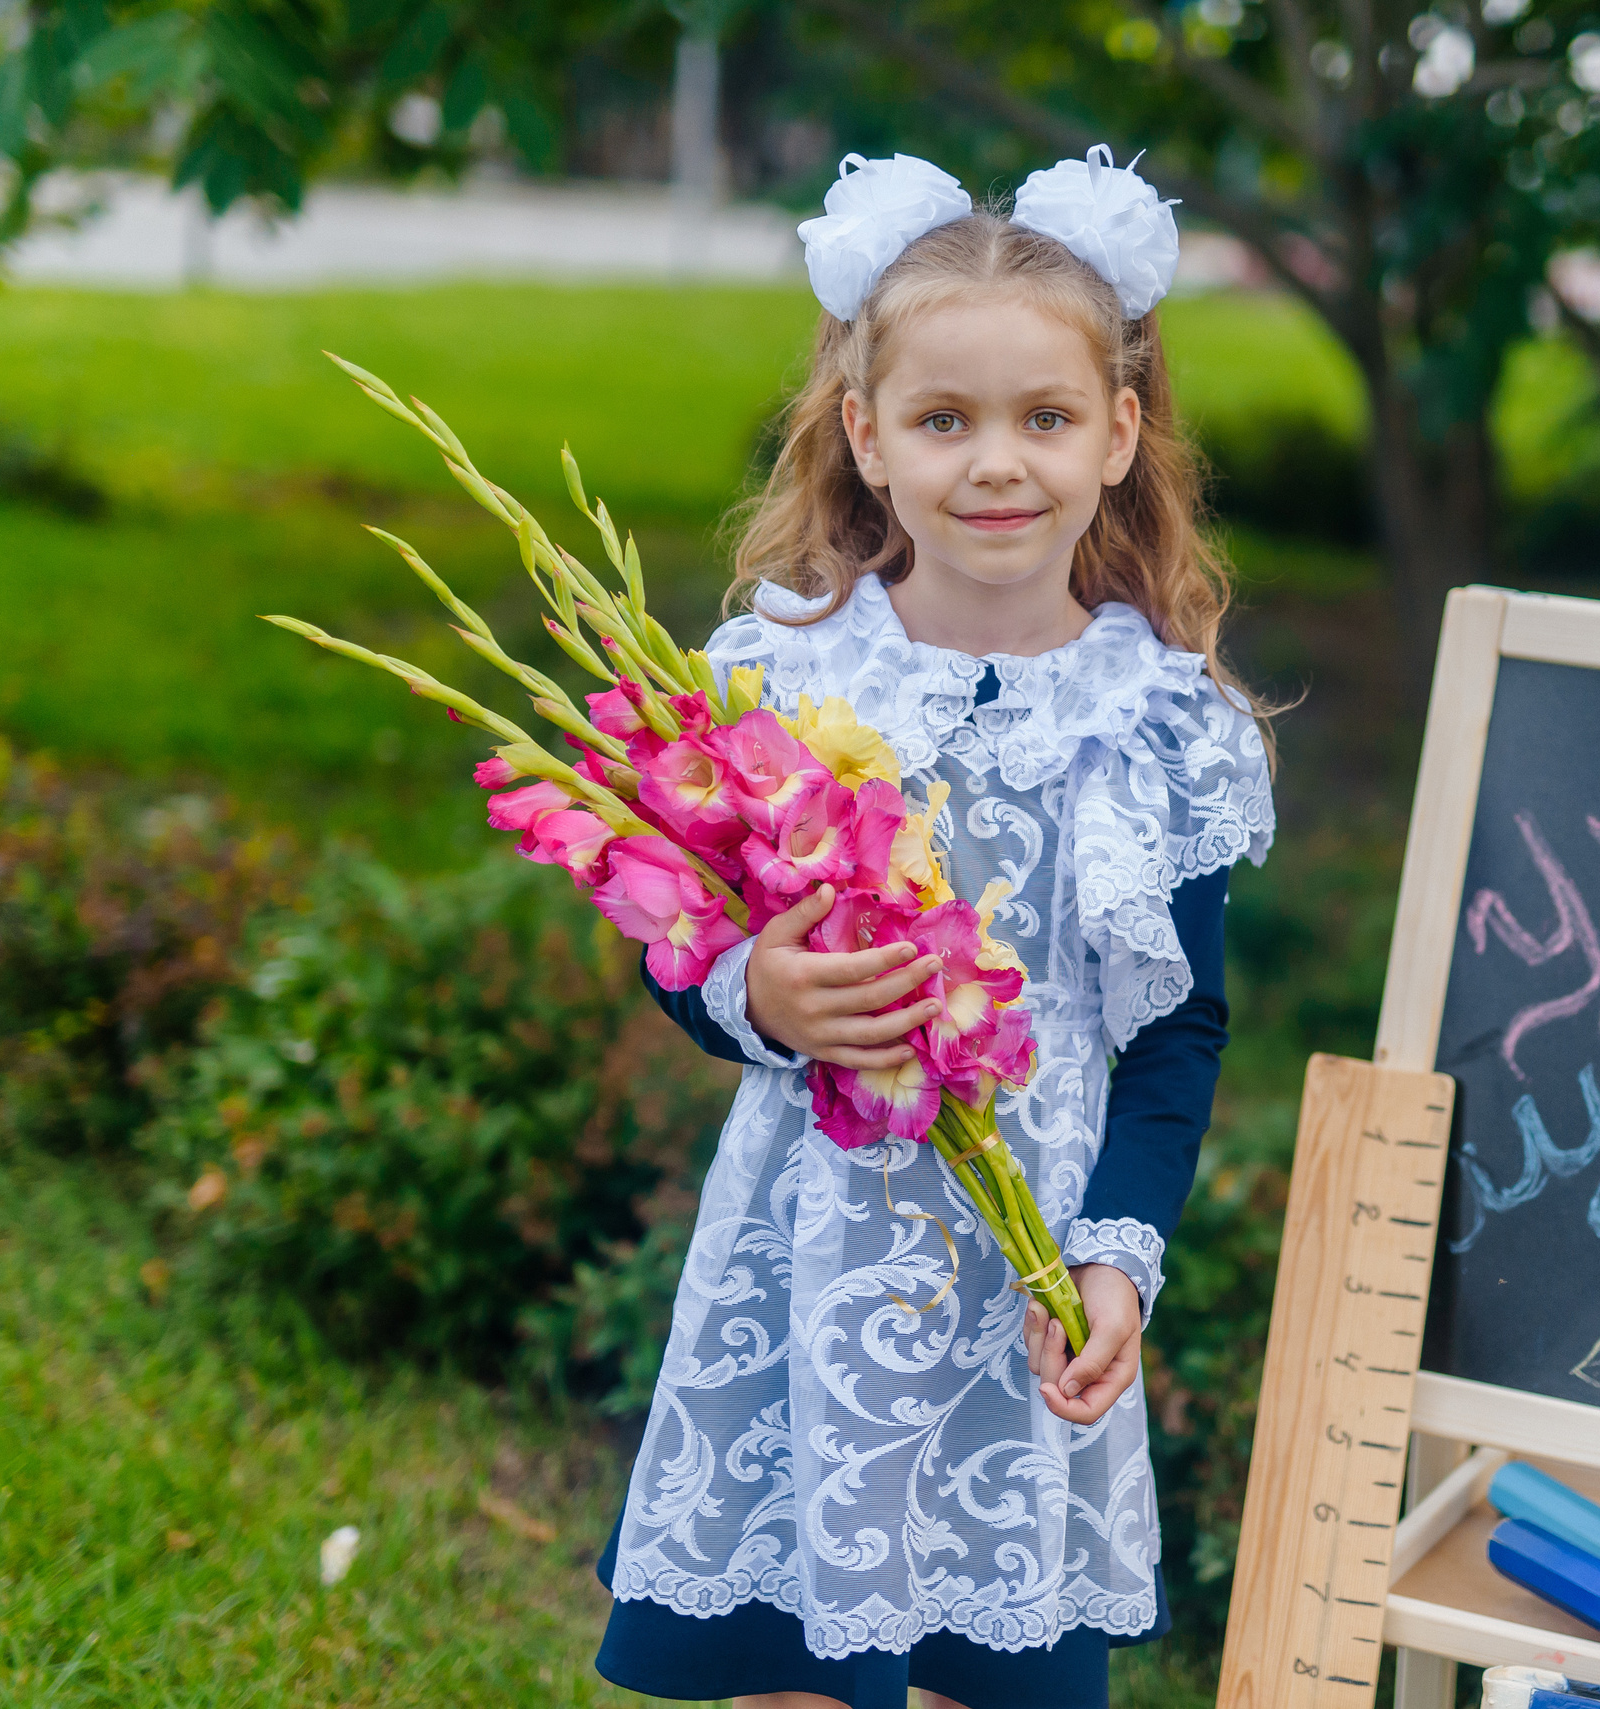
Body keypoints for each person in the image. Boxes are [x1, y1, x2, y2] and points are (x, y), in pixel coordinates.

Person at [591, 147, 1277, 1709]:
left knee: (994, 1672)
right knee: (786, 1669)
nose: (996, 464)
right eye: (943, 420)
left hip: (1020, 1295)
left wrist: (1116, 1257)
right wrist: (760, 991)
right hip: (807, 1266)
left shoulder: (1163, 725)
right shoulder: (778, 682)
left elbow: (1178, 1034)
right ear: (867, 437)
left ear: (1118, 434)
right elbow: (681, 947)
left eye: (1044, 418)